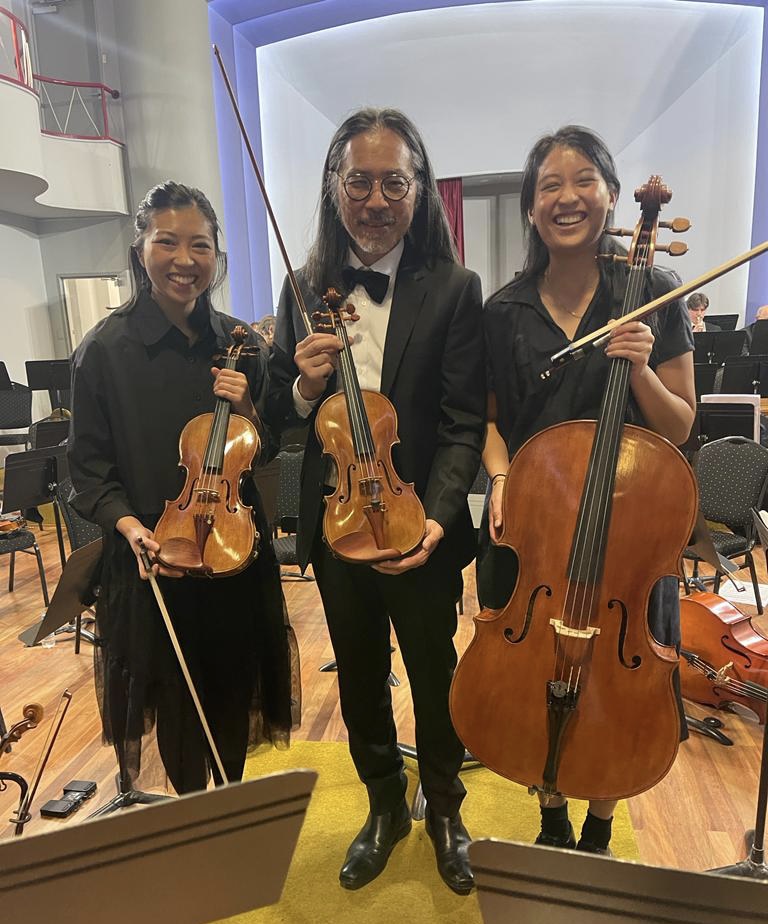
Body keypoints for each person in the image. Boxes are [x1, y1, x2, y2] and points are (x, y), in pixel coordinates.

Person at [267, 108, 485, 893]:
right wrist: (303, 386)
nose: (376, 200)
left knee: (435, 674)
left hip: (419, 525)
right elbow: (278, 412)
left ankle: (447, 809)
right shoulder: (301, 286)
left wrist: (436, 518)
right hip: (337, 525)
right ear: (335, 187)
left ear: (419, 190)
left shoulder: (455, 288)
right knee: (359, 678)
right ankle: (385, 806)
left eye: (394, 182)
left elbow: (463, 423)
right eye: (359, 181)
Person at [479, 126, 695, 856]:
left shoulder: (654, 293)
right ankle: (548, 809)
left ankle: (600, 827)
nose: (566, 198)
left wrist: (640, 370)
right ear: (530, 207)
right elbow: (488, 422)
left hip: (626, 542)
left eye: (583, 182)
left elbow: (681, 424)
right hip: (536, 531)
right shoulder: (504, 311)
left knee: (618, 682)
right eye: (549, 185)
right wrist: (501, 476)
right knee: (532, 669)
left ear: (611, 194)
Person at [68, 181, 298, 795]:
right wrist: (129, 527)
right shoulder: (104, 352)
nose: (184, 260)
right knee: (174, 702)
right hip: (155, 558)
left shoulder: (240, 343)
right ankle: (194, 813)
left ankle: (227, 810)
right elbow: (88, 470)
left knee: (233, 689)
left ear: (217, 256)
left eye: (200, 246)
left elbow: (264, 447)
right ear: (140, 248)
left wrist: (249, 409)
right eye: (167, 242)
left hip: (234, 551)